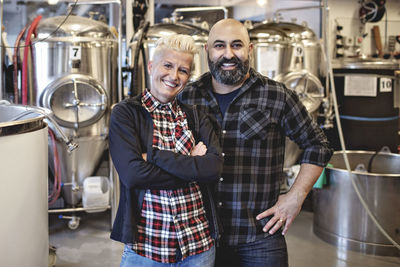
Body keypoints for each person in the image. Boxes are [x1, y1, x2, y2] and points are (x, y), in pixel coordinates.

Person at [178, 19, 333, 267]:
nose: (228, 54)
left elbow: (318, 144)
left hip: (259, 237)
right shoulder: (187, 96)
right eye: (219, 46)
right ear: (206, 50)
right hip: (201, 236)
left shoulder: (276, 95)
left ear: (250, 49)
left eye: (236, 45)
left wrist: (296, 197)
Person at [109, 34, 223, 267]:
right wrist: (190, 166)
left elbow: (213, 168)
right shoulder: (126, 114)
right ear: (152, 66)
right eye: (168, 65)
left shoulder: (196, 117)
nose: (173, 76)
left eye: (183, 70)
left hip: (198, 246)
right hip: (146, 248)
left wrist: (152, 156)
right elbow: (133, 175)